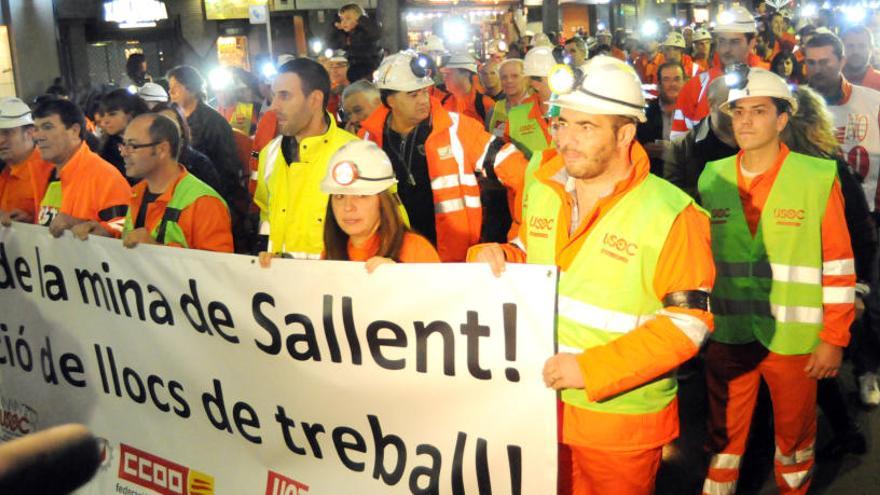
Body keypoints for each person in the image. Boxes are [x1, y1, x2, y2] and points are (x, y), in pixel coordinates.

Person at [469, 58, 714, 495]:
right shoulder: (543, 186)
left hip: (619, 420)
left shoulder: (672, 213)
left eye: (586, 127)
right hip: (539, 404)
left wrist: (590, 368)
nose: (566, 139)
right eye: (562, 123)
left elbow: (688, 325)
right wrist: (499, 254)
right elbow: (530, 255)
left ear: (624, 133)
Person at [699, 68, 854, 495]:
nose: (745, 121)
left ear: (782, 119)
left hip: (794, 339)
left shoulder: (816, 177)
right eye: (738, 112)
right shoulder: (711, 176)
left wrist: (834, 338)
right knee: (722, 441)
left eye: (759, 111)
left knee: (794, 441)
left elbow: (838, 264)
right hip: (728, 334)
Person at [359, 51, 527, 261]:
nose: (423, 100)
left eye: (424, 92)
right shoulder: (368, 140)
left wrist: (521, 234)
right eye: (413, 95)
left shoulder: (457, 129)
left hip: (451, 261)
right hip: (394, 259)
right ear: (390, 99)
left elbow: (517, 170)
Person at [781, 85, 875, 453]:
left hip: (822, 283)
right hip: (795, 282)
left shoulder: (828, 167)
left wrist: (857, 289)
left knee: (813, 365)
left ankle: (846, 432)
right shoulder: (778, 166)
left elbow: (861, 232)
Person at [70, 114, 232, 252]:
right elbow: (132, 235)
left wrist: (155, 250)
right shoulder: (136, 193)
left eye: (133, 146)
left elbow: (216, 274)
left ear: (162, 149)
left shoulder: (204, 203)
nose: (124, 153)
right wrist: (107, 232)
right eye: (123, 145)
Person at [254, 57, 358, 263]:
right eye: (275, 95)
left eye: (284, 96)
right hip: (283, 285)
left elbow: (389, 223)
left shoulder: (356, 153)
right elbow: (266, 216)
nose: (274, 105)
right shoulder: (270, 154)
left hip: (338, 287)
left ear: (315, 100)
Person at [321, 139, 440, 268]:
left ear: (383, 202)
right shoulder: (330, 256)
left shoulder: (416, 251)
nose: (348, 207)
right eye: (339, 196)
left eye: (362, 196)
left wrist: (399, 277)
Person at [30, 98, 130, 237]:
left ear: (74, 131)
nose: (38, 136)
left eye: (47, 127)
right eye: (36, 129)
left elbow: (127, 226)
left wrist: (96, 227)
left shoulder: (104, 177)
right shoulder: (42, 174)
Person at [804, 31, 880, 213]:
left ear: (842, 61)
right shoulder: (795, 106)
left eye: (824, 62)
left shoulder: (874, 102)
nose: (818, 70)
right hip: (813, 210)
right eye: (811, 63)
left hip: (866, 211)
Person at [671, 5, 767, 139]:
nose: (727, 49)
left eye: (735, 42)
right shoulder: (695, 87)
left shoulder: (769, 83)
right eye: (722, 41)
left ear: (751, 43)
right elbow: (678, 143)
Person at [166, 65, 242, 201]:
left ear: (192, 88)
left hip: (209, 194)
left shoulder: (214, 122)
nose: (171, 91)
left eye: (176, 86)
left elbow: (228, 168)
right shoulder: (173, 119)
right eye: (169, 87)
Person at [664, 77, 738, 200]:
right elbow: (673, 195)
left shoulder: (760, 141)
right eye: (730, 105)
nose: (737, 112)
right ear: (711, 104)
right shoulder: (682, 147)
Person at [0, 97, 54, 225]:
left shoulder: (50, 172)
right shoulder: (4, 171)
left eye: (7, 132)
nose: (0, 140)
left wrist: (33, 220)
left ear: (30, 133)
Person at [150, 102, 223, 195]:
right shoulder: (144, 162)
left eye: (170, 125)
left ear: (182, 129)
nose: (164, 130)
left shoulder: (199, 165)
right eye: (158, 125)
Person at [504, 49, 553, 161]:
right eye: (554, 77)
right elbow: (506, 158)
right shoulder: (516, 117)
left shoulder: (574, 111)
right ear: (535, 83)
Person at [637, 62, 684, 176]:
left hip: (687, 180)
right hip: (655, 177)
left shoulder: (694, 112)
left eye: (677, 79)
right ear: (659, 84)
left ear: (684, 82)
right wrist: (644, 150)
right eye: (666, 79)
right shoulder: (646, 113)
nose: (672, 84)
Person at [97, 89, 149, 184]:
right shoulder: (106, 150)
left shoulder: (149, 141)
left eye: (112, 114)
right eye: (103, 115)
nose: (105, 121)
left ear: (130, 114)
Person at [327, 3, 382, 81]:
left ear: (358, 20)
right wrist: (335, 26)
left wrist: (361, 20)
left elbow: (376, 33)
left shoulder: (364, 33)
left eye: (348, 18)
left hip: (368, 69)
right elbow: (331, 43)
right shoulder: (344, 34)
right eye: (342, 19)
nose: (344, 22)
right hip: (353, 69)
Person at [440, 52, 495, 127]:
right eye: (444, 74)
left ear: (466, 74)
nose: (444, 78)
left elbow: (497, 135)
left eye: (449, 74)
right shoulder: (443, 103)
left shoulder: (485, 104)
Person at [488, 59, 529, 137]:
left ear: (525, 78)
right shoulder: (495, 110)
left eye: (515, 76)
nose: (509, 80)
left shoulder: (539, 106)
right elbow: (496, 140)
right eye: (504, 77)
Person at [842, 25, 880, 91]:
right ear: (842, 49)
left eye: (862, 46)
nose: (855, 51)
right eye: (850, 46)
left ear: (871, 49)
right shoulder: (831, 81)